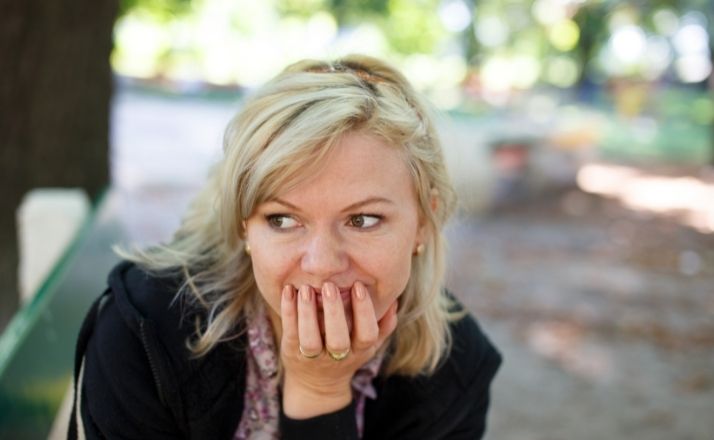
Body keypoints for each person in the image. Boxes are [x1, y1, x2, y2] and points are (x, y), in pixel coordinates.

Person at [69, 55, 502, 439]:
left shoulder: (456, 370)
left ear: (424, 222)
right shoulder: (147, 332)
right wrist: (318, 386)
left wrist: (319, 393)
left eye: (363, 220)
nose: (321, 264)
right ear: (245, 226)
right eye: (283, 220)